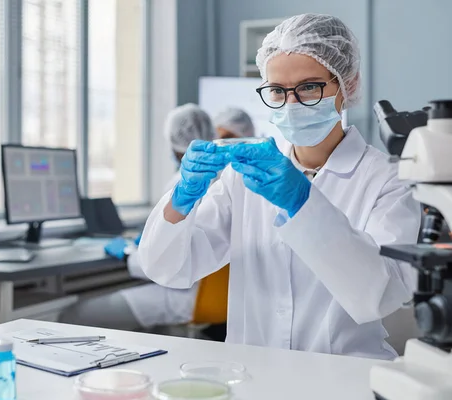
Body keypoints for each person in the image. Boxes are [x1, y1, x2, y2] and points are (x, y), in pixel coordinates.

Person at [139, 14, 421, 360]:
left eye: (308, 87)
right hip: (253, 373)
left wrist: (303, 204)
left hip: (345, 377)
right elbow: (170, 269)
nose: (291, 103)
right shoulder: (242, 176)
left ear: (347, 84)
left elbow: (382, 294)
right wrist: (180, 202)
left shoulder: (388, 179)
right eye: (277, 90)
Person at [59, 104, 225, 331]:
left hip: (184, 296)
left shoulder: (184, 182)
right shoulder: (227, 177)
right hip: (220, 301)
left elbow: (162, 264)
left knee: (74, 314)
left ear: (174, 145)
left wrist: (129, 254)